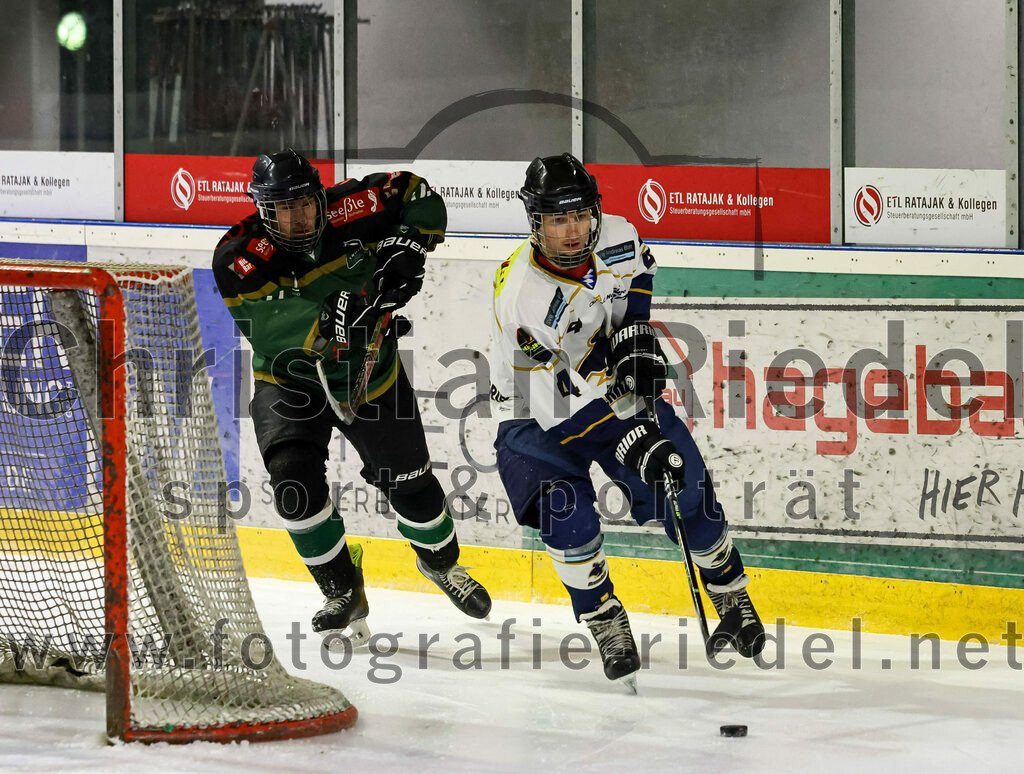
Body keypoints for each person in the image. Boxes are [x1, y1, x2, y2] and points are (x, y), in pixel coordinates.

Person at [490, 153, 765, 689]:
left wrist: (634, 337)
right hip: (535, 412)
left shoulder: (615, 233)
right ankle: (604, 619)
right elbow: (567, 404)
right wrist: (635, 442)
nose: (573, 231)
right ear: (535, 222)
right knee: (567, 518)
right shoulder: (525, 297)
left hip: (604, 389)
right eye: (556, 219)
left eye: (580, 215)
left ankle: (732, 596)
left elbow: (637, 275)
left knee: (687, 488)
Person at [212, 149, 491, 648]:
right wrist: (339, 319)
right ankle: (343, 590)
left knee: (415, 491)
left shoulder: (351, 207)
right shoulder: (239, 254)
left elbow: (416, 193)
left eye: (304, 205)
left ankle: (440, 564)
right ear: (262, 210)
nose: (296, 219)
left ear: (321, 198)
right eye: (281, 209)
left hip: (374, 377)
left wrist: (411, 244)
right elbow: (275, 332)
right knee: (292, 484)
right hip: (290, 382)